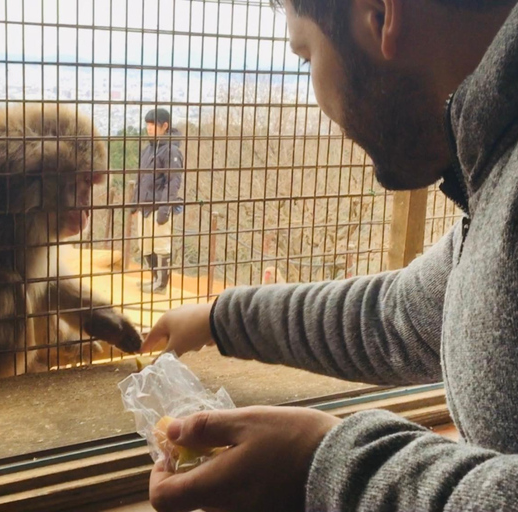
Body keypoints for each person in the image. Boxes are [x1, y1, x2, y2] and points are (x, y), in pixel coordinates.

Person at [141, 0, 518, 510]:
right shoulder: (495, 167)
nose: (315, 90)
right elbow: (402, 316)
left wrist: (323, 465)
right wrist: (219, 318)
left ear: (382, 17)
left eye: (305, 54)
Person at [132, 108, 184, 294]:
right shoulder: (148, 149)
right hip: (144, 206)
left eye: (153, 124)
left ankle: (161, 284)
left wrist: (165, 209)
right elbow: (140, 177)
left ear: (165, 126)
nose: (149, 128)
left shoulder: (171, 151)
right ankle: (154, 279)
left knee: (161, 245)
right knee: (145, 245)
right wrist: (134, 202)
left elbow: (173, 182)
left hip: (159, 206)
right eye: (147, 124)